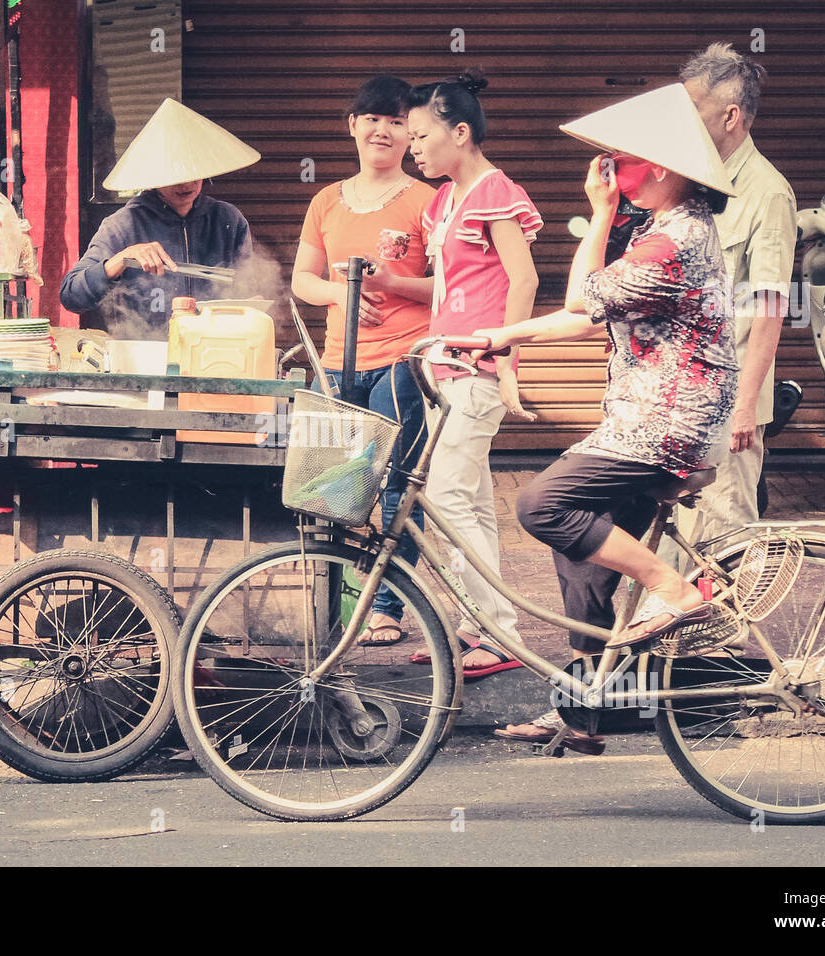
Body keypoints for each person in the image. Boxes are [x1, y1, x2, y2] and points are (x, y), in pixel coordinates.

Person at [476, 83, 740, 752]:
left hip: (665, 423)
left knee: (540, 505)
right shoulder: (661, 232)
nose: (612, 173)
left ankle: (673, 588)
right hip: (646, 418)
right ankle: (583, 711)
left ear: (659, 168)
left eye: (620, 161)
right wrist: (498, 338)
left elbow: (579, 297)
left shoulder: (671, 242)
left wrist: (598, 213)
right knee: (582, 555)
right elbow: (580, 316)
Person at [290, 76, 437, 646]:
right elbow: (305, 279)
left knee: (397, 485)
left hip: (404, 359)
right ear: (352, 124)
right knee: (335, 484)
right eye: (373, 118)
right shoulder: (326, 199)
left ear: (411, 133)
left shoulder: (426, 201)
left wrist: (395, 284)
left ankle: (388, 607)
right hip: (337, 362)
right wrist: (341, 294)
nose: (384, 130)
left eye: (398, 121)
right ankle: (335, 601)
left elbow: (448, 285)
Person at [406, 69, 541, 677]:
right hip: (444, 365)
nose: (412, 145)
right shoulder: (442, 200)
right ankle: (481, 627)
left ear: (459, 133)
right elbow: (451, 286)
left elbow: (526, 279)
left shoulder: (494, 190)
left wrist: (507, 361)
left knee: (445, 498)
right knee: (474, 502)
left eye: (420, 134)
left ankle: (498, 632)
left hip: (476, 367)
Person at [670, 43, 798, 555]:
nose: (685, 123)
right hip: (681, 395)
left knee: (724, 541)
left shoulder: (767, 193)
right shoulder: (695, 182)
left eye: (693, 111)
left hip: (728, 401)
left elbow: (768, 310)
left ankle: (727, 640)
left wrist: (745, 407)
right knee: (673, 545)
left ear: (730, 115)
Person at [60, 98, 259, 337]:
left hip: (212, 350)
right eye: (174, 175)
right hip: (142, 358)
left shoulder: (228, 220)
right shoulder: (122, 225)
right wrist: (122, 258)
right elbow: (71, 295)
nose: (186, 184)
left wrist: (253, 304)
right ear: (153, 177)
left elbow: (248, 288)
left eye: (194, 172)